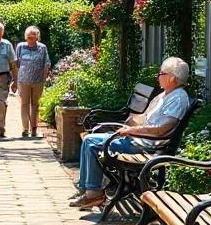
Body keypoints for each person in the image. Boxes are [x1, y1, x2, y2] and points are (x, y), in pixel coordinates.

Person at [69, 57, 191, 209]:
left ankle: (93, 193)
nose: (158, 76)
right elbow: (145, 118)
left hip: (146, 145)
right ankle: (87, 190)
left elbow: (162, 128)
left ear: (172, 78)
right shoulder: (165, 95)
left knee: (92, 142)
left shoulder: (178, 98)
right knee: (90, 140)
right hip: (138, 139)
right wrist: (127, 123)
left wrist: (131, 130)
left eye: (161, 73)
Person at [15, 26, 51, 138]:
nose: (31, 39)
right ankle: (25, 129)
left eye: (33, 37)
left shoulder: (42, 48)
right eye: (29, 37)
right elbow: (16, 63)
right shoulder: (20, 46)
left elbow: (47, 63)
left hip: (38, 80)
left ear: (37, 37)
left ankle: (34, 128)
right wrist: (14, 80)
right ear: (26, 37)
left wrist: (44, 78)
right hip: (23, 80)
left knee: (35, 104)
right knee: (24, 104)